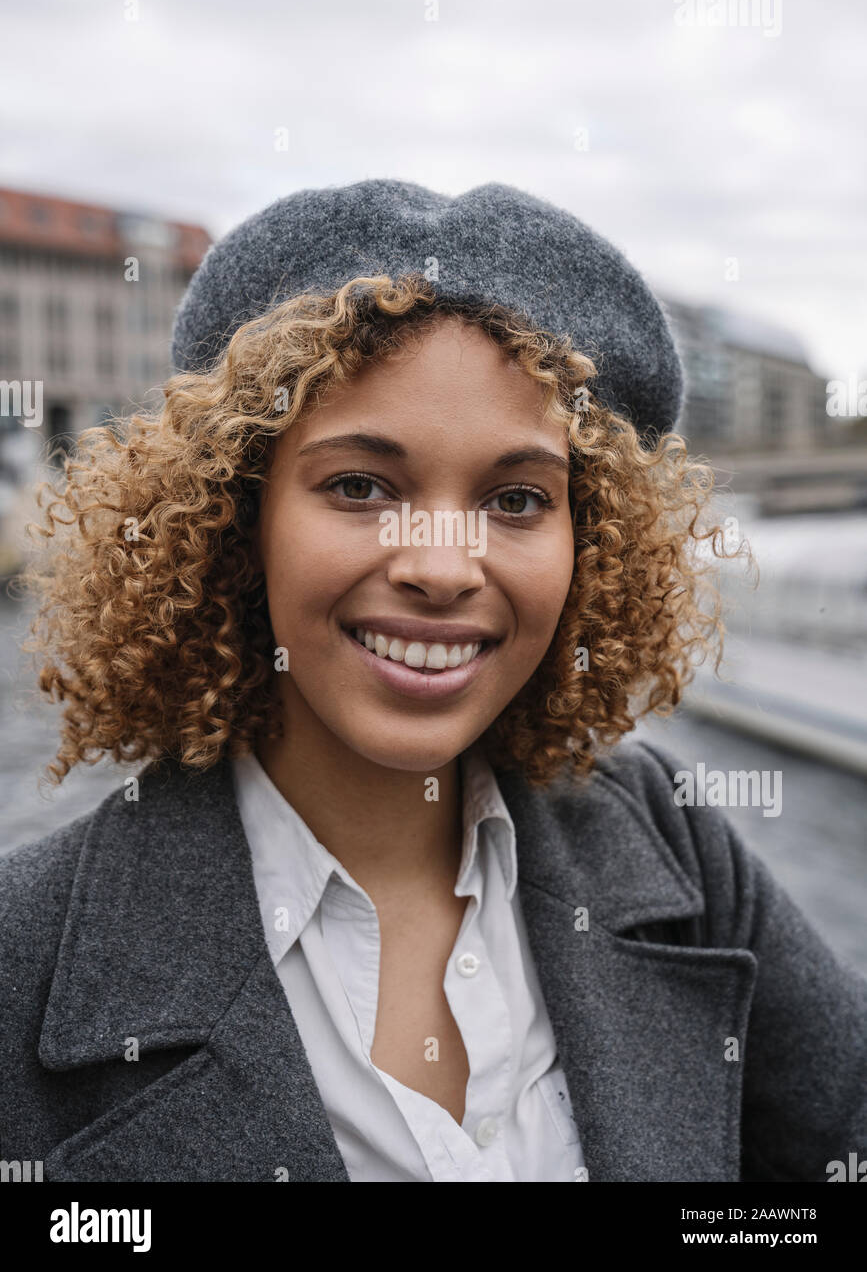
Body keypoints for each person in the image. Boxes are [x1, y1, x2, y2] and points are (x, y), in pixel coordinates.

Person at [1, 180, 864, 1182]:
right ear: (238, 520)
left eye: (515, 498)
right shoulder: (25, 957)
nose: (444, 566)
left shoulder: (673, 841)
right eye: (360, 486)